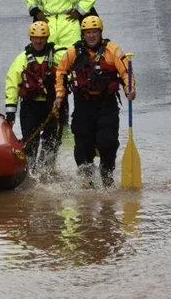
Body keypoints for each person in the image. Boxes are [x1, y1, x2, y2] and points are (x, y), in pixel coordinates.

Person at [53, 16, 136, 188]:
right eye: (88, 33)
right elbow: (60, 72)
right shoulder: (73, 52)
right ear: (83, 34)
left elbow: (126, 73)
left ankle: (106, 176)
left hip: (106, 105)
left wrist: (130, 88)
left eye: (95, 32)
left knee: (108, 141)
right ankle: (87, 179)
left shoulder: (112, 50)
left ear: (100, 33)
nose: (91, 36)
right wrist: (60, 95)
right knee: (83, 144)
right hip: (83, 104)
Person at [5, 21, 66, 176]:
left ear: (47, 37)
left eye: (42, 37)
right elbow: (12, 84)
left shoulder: (58, 56)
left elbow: (68, 73)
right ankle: (30, 173)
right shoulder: (21, 60)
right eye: (35, 38)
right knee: (30, 144)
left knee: (50, 143)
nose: (38, 41)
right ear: (31, 38)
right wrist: (11, 112)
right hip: (30, 107)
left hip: (52, 107)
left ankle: (46, 173)